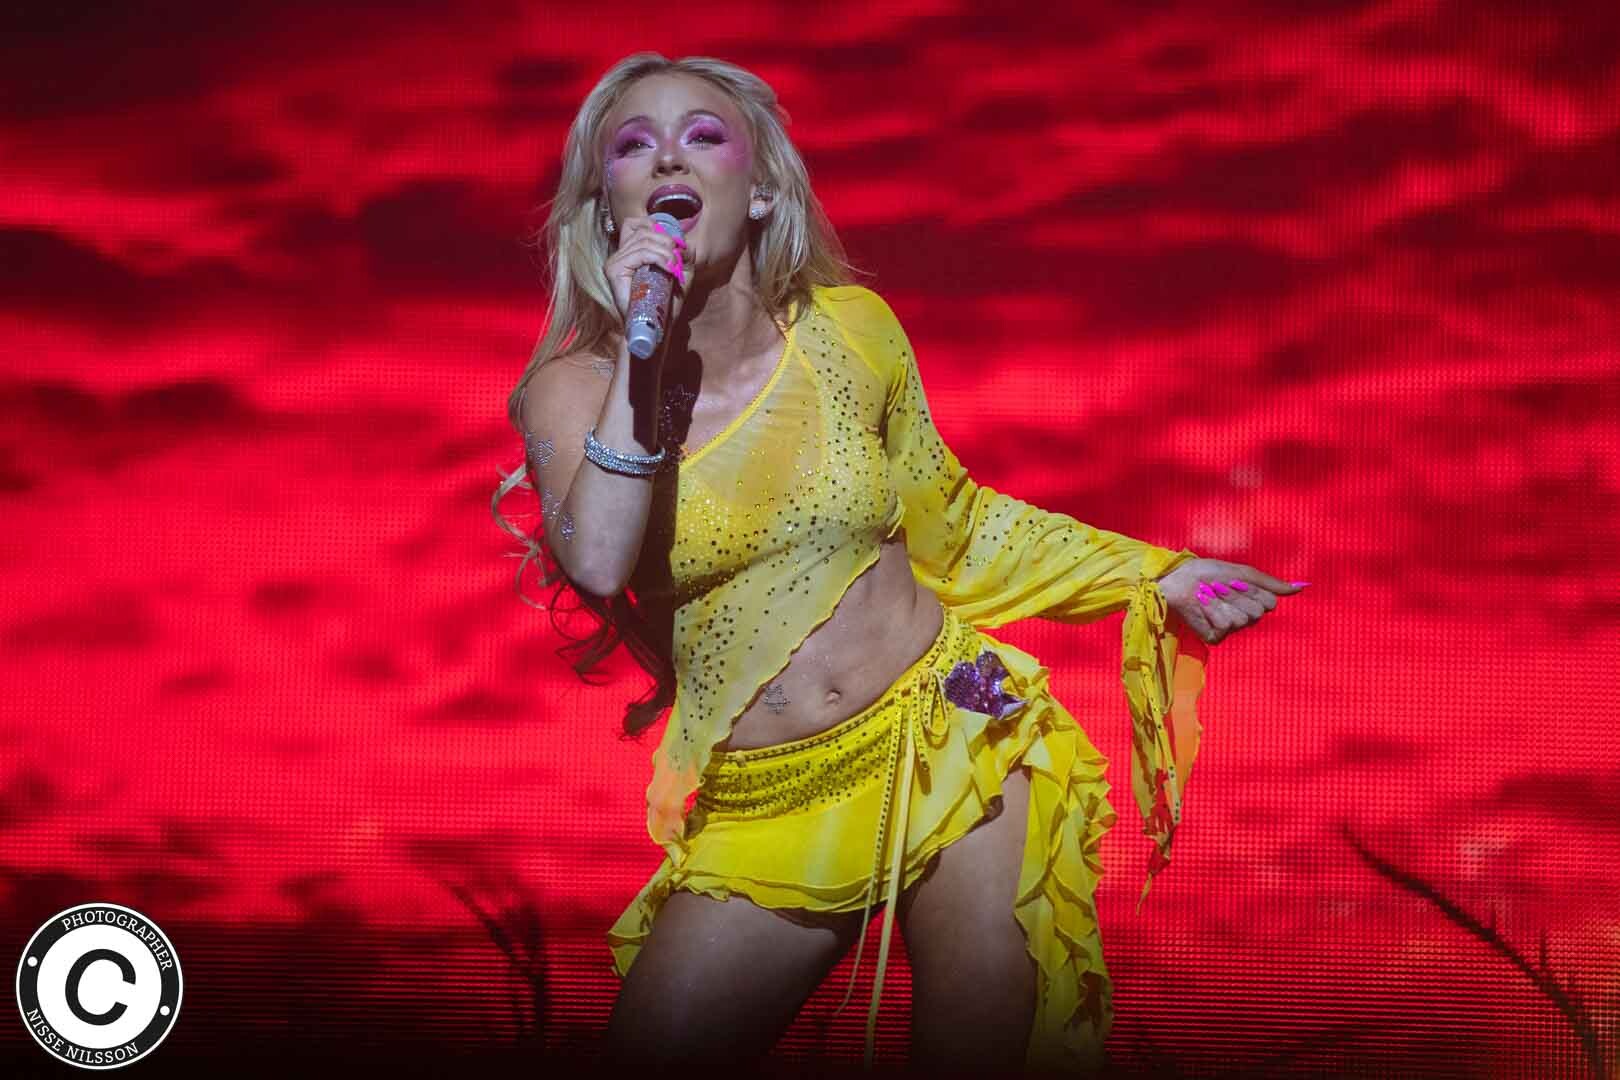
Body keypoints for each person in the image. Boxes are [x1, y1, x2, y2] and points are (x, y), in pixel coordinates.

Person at [491, 52, 1306, 1074]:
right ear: (606, 207)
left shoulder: (853, 332)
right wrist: (644, 356)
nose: (667, 157)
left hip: (956, 725)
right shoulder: (572, 390)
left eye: (702, 135)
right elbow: (601, 561)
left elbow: (953, 523)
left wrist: (1153, 573)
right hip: (773, 795)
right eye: (631, 145)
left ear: (761, 190)